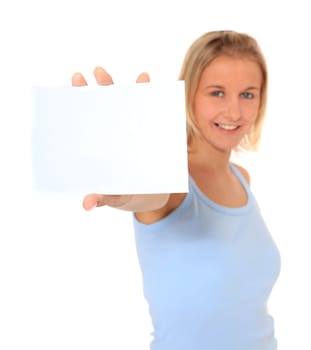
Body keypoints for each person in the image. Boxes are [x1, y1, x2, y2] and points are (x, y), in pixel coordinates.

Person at [72, 30, 281, 350]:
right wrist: (124, 186)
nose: (235, 112)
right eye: (216, 93)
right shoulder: (171, 178)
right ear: (188, 95)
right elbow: (150, 194)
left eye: (248, 94)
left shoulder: (241, 179)